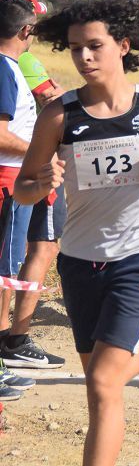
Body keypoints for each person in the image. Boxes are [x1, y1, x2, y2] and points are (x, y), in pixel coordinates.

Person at [19, 0, 139, 466]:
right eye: (75, 49)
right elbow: (23, 188)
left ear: (123, 45)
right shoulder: (59, 115)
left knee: (100, 381)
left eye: (94, 46)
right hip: (79, 259)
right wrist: (42, 181)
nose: (84, 58)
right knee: (102, 384)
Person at [0, 44, 69, 372]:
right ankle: (13, 339)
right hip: (34, 170)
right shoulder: (19, 60)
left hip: (27, 169)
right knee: (35, 251)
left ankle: (13, 338)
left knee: (29, 251)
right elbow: (52, 98)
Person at [0, 0, 50, 400]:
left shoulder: (10, 67)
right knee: (3, 271)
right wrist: (40, 150)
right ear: (26, 30)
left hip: (15, 177)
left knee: (6, 270)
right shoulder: (4, 68)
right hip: (7, 178)